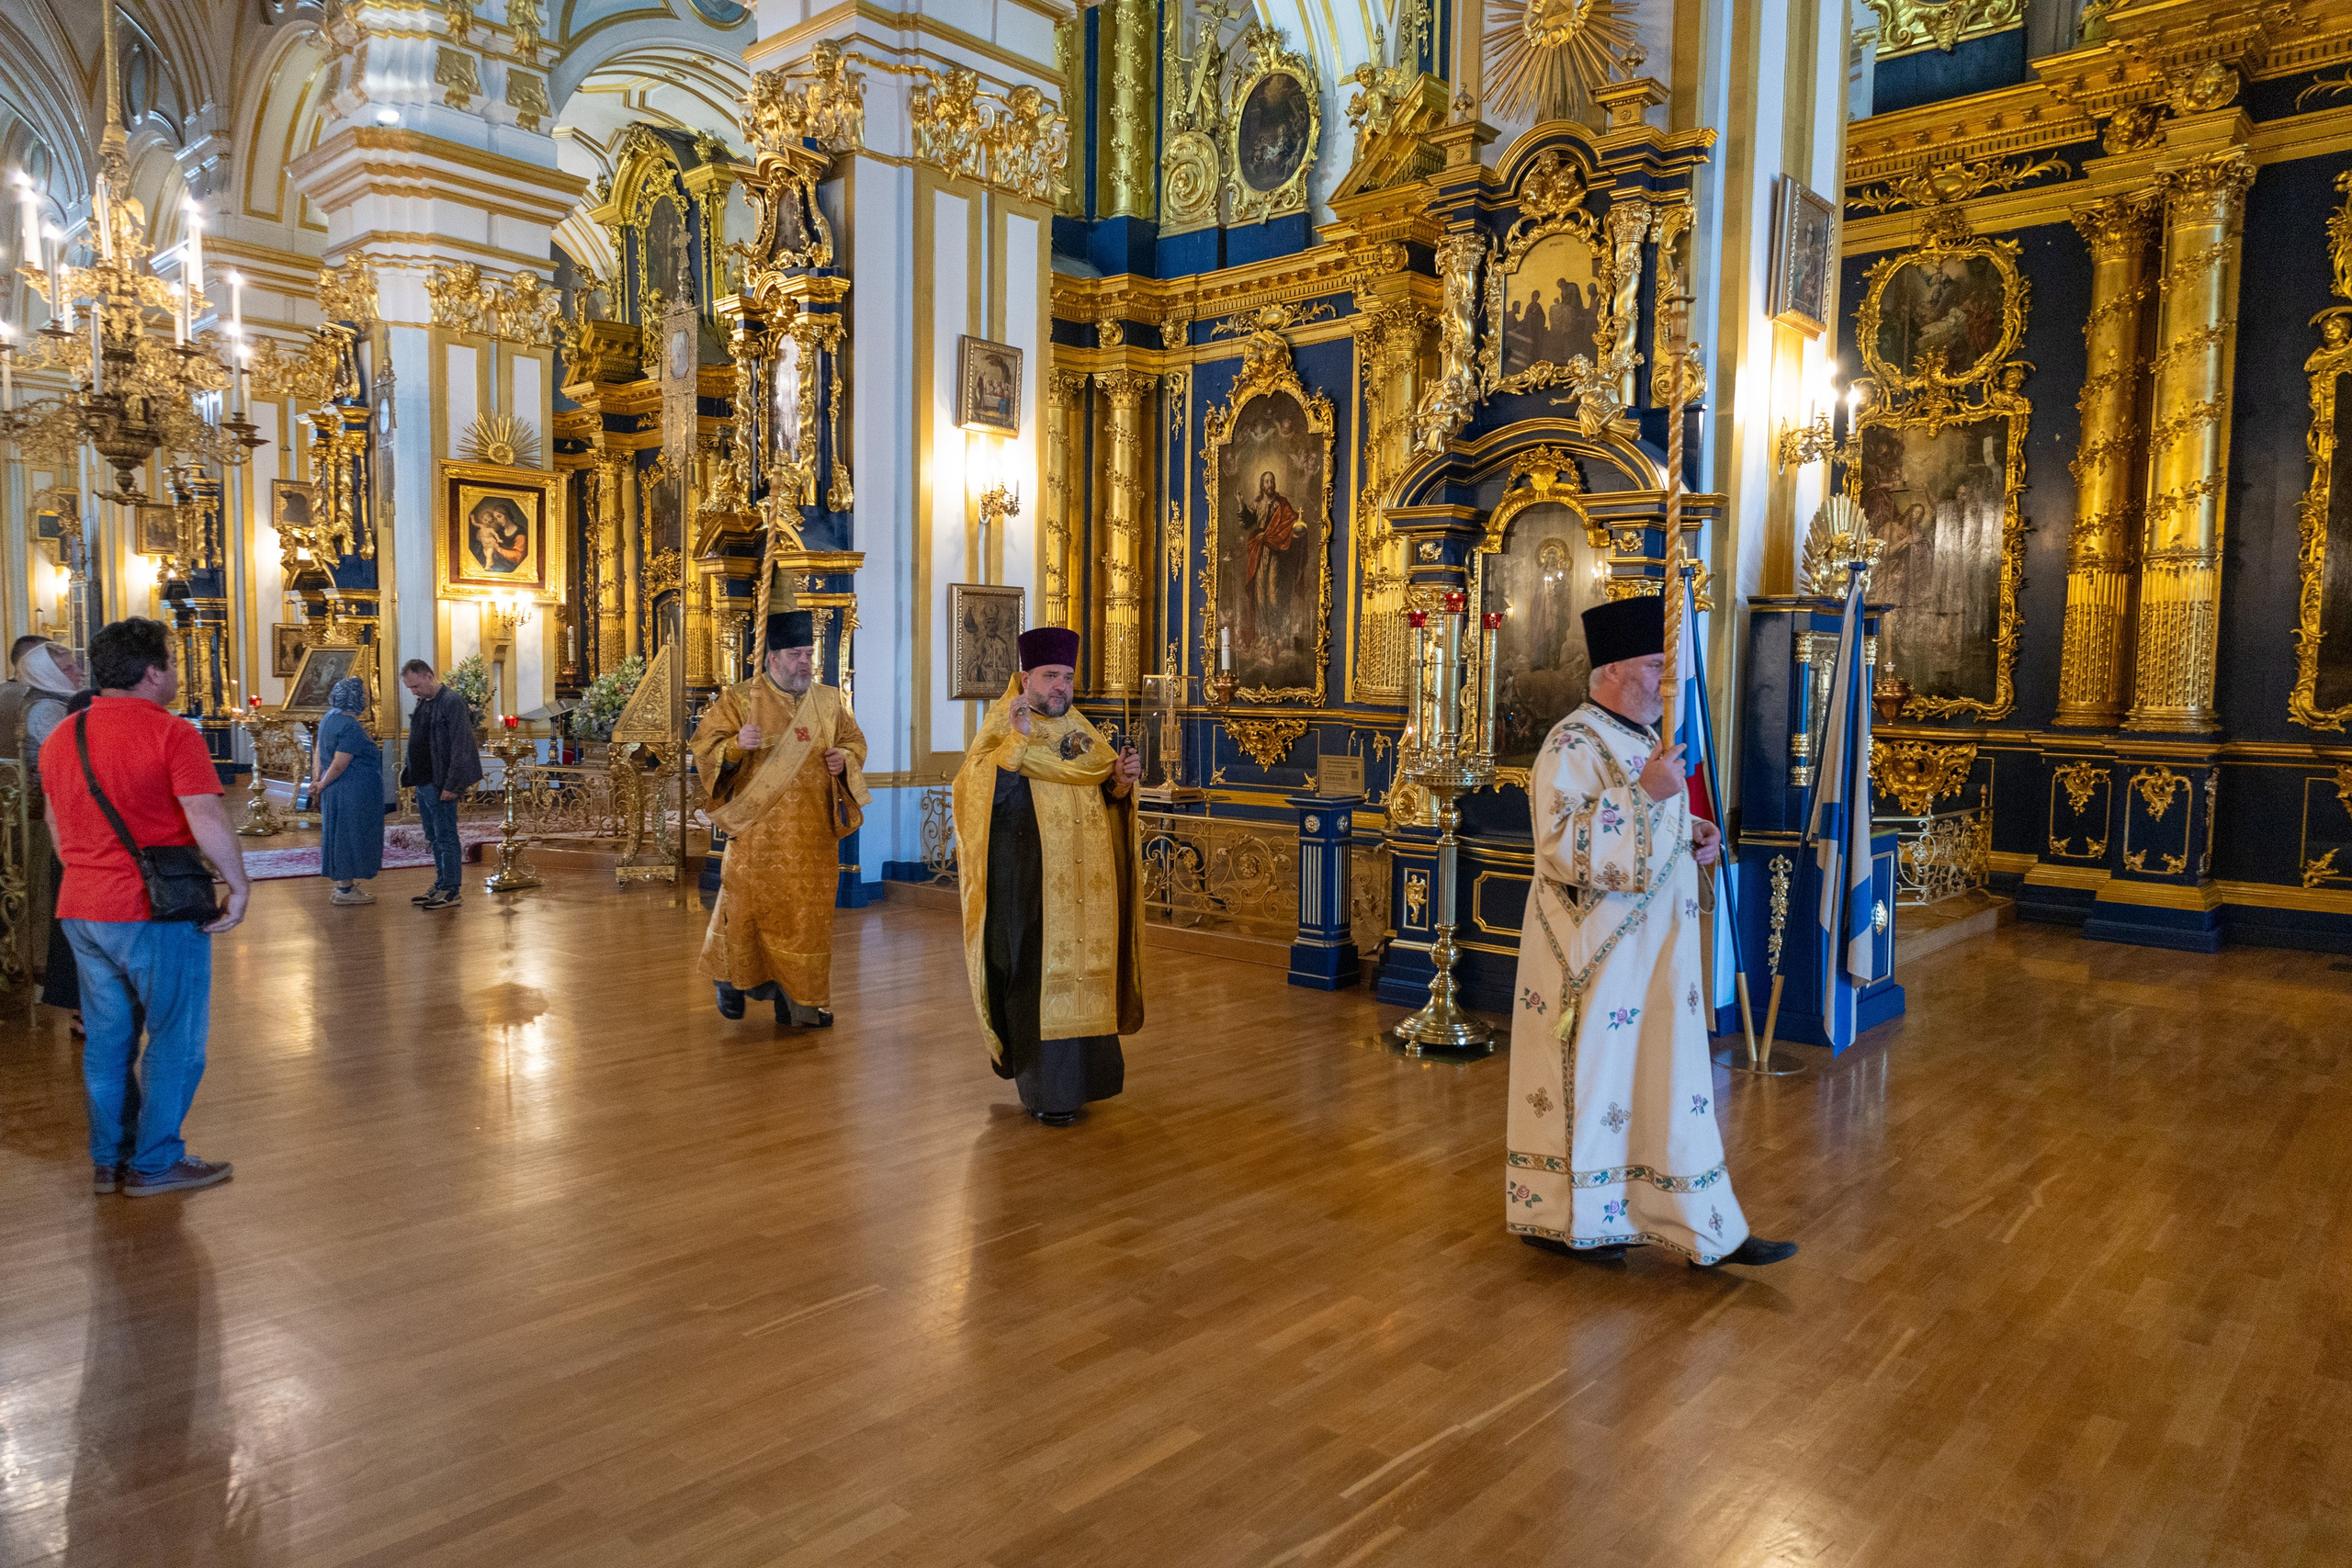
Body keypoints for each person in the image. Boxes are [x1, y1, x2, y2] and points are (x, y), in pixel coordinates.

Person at [1504, 596, 1796, 1268]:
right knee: (1602, 1083)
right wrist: (1648, 798)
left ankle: (1697, 1219)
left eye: (1672, 667)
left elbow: (1649, 827)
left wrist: (1693, 833)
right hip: (1593, 958)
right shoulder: (1570, 742)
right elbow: (1561, 848)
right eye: (1654, 666)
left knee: (1663, 1082)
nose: (1671, 683)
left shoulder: (1641, 743)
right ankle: (1575, 1216)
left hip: (1654, 956)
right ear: (1610, 669)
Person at [39, 616, 249, 1198]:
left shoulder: (64, 736)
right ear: (152, 671)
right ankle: (156, 1162)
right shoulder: (172, 734)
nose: (176, 674)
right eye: (172, 665)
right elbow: (205, 817)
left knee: (107, 1040)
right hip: (152, 911)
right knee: (176, 1038)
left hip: (81, 907)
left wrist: (92, 865)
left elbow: (57, 826)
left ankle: (109, 1160)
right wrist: (239, 884)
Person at [950, 627, 1144, 1126]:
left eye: (1068, 677)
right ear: (1024, 678)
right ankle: (1045, 1090)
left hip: (1088, 890)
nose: (1061, 686)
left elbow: (1103, 792)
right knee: (1034, 981)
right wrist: (1015, 746)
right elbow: (978, 799)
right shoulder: (1003, 728)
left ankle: (1085, 1083)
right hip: (1029, 887)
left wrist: (1121, 782)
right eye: (1051, 676)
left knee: (1087, 980)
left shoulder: (1083, 735)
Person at [690, 609, 870, 1026]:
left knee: (807, 920)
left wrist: (843, 759)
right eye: (795, 654)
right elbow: (704, 748)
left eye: (809, 653)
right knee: (749, 912)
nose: (805, 662)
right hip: (758, 836)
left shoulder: (827, 701)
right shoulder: (740, 699)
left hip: (813, 838)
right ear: (771, 658)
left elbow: (854, 742)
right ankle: (730, 982)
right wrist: (736, 746)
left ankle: (801, 1001)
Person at [398, 659, 483, 909]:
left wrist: (452, 785)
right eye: (409, 688)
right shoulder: (424, 701)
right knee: (433, 836)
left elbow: (460, 745)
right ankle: (440, 883)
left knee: (446, 836)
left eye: (415, 685)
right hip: (423, 780)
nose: (413, 691)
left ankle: (451, 890)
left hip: (441, 782)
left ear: (428, 676)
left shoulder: (451, 701)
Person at [311, 676, 384, 906]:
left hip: (334, 788)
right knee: (351, 837)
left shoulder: (328, 718)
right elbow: (341, 762)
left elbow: (318, 751)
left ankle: (343, 885)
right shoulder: (350, 725)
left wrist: (318, 779)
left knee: (337, 835)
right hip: (352, 790)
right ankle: (346, 890)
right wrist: (322, 783)